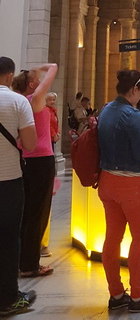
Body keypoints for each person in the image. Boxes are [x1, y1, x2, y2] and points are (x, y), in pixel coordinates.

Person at [98, 69, 140, 313]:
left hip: (107, 180)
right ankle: (138, 296)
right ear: (135, 89)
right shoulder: (132, 114)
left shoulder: (106, 109)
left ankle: (116, 294)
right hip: (130, 184)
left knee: (112, 238)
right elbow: (139, 152)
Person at [12, 63, 58, 278]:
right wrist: (42, 67)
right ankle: (30, 264)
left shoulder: (18, 102)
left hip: (25, 160)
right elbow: (54, 68)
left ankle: (22, 260)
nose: (40, 83)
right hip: (40, 161)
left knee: (26, 212)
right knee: (37, 214)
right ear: (31, 84)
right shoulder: (34, 100)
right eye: (36, 80)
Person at [0, 56, 37, 316]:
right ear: (9, 76)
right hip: (8, 181)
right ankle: (9, 298)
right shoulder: (18, 101)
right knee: (9, 239)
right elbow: (31, 144)